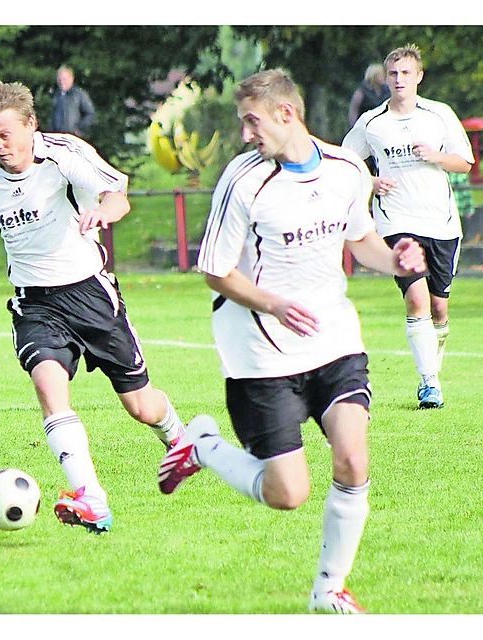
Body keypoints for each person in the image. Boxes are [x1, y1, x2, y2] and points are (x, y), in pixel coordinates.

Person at [156, 69, 426, 613]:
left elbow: (362, 240)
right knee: (289, 494)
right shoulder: (244, 180)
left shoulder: (347, 169)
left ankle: (328, 589)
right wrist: (274, 302)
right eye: (242, 124)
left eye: (252, 122)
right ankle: (202, 444)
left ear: (287, 114)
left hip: (333, 339)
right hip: (259, 351)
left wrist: (395, 259)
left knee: (352, 459)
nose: (246, 134)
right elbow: (214, 270)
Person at [0, 81, 185, 535]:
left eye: (5, 135)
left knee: (141, 406)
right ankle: (92, 497)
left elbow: (117, 194)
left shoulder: (64, 154)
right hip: (35, 302)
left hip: (90, 294)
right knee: (49, 386)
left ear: (30, 126)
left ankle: (179, 438)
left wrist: (103, 214)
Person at [342, 44, 474, 409]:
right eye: (393, 73)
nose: (399, 79)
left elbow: (465, 162)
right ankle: (429, 382)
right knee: (415, 298)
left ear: (419, 77)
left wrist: (436, 156)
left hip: (441, 222)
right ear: (386, 78)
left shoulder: (439, 115)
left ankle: (434, 359)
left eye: (406, 73)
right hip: (397, 222)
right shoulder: (371, 123)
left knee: (439, 309)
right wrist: (370, 181)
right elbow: (346, 162)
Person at [50, 65, 96, 138]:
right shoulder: (56, 95)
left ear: (71, 79)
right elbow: (52, 117)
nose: (61, 82)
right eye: (59, 79)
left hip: (73, 137)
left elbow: (90, 114)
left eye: (64, 79)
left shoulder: (79, 94)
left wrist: (79, 129)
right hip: (57, 138)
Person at [347, 63, 390, 128]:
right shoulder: (361, 92)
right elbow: (353, 111)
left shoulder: (387, 91)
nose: (384, 77)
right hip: (365, 127)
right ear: (374, 76)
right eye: (381, 75)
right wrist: (355, 128)